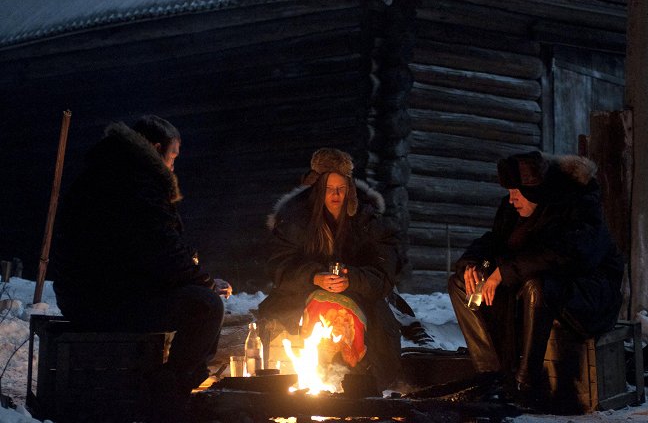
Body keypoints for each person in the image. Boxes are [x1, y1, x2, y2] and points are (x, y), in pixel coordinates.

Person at [52, 115, 230, 422]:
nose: (173, 166)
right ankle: (168, 398)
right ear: (157, 149)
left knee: (199, 295)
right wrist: (204, 282)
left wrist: (193, 271)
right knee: (205, 306)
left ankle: (168, 387)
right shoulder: (134, 182)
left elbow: (151, 249)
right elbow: (159, 250)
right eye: (173, 157)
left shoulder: (117, 172)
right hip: (101, 300)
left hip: (96, 293)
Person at [448, 151, 623, 407]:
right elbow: (494, 243)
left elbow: (569, 254)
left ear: (536, 191)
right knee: (461, 284)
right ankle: (492, 377)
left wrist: (503, 272)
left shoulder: (579, 202)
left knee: (537, 287)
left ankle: (525, 384)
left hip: (589, 292)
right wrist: (474, 264)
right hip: (537, 286)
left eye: (516, 192)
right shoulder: (514, 211)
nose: (511, 200)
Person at [258, 148, 405, 390]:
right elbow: (279, 266)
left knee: (369, 333)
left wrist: (353, 280)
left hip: (361, 296)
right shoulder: (296, 220)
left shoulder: (368, 221)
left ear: (350, 189)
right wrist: (314, 276)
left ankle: (359, 386)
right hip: (300, 296)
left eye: (341, 188)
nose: (335, 194)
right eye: (328, 189)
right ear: (318, 190)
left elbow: (384, 272)